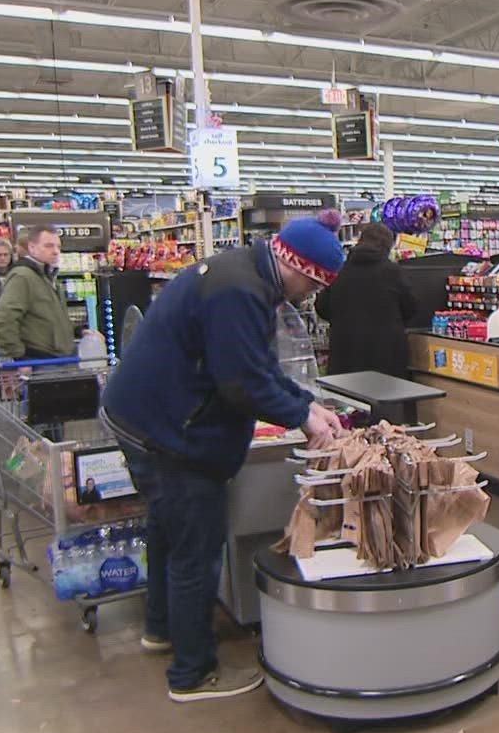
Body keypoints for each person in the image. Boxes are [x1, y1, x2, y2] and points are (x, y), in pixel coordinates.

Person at [101, 217, 346, 703]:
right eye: (311, 283)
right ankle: (192, 674)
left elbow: (257, 365)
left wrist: (305, 403)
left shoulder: (245, 274)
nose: (308, 295)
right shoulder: (240, 291)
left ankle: (162, 630)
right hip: (169, 432)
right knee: (197, 549)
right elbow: (240, 382)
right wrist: (302, 417)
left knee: (168, 534)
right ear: (293, 264)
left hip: (144, 418)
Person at [314, 223, 417, 376]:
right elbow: (410, 308)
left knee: (347, 398)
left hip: (345, 357)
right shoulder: (393, 273)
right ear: (387, 246)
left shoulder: (340, 272)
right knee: (386, 396)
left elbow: (321, 307)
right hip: (385, 358)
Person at [0, 225, 75, 360]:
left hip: (59, 357)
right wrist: (20, 357)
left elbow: (49, 317)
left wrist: (78, 331)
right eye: (48, 246)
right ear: (32, 248)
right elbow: (3, 318)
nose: (55, 251)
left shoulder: (45, 276)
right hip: (41, 360)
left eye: (58, 247)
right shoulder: (23, 276)